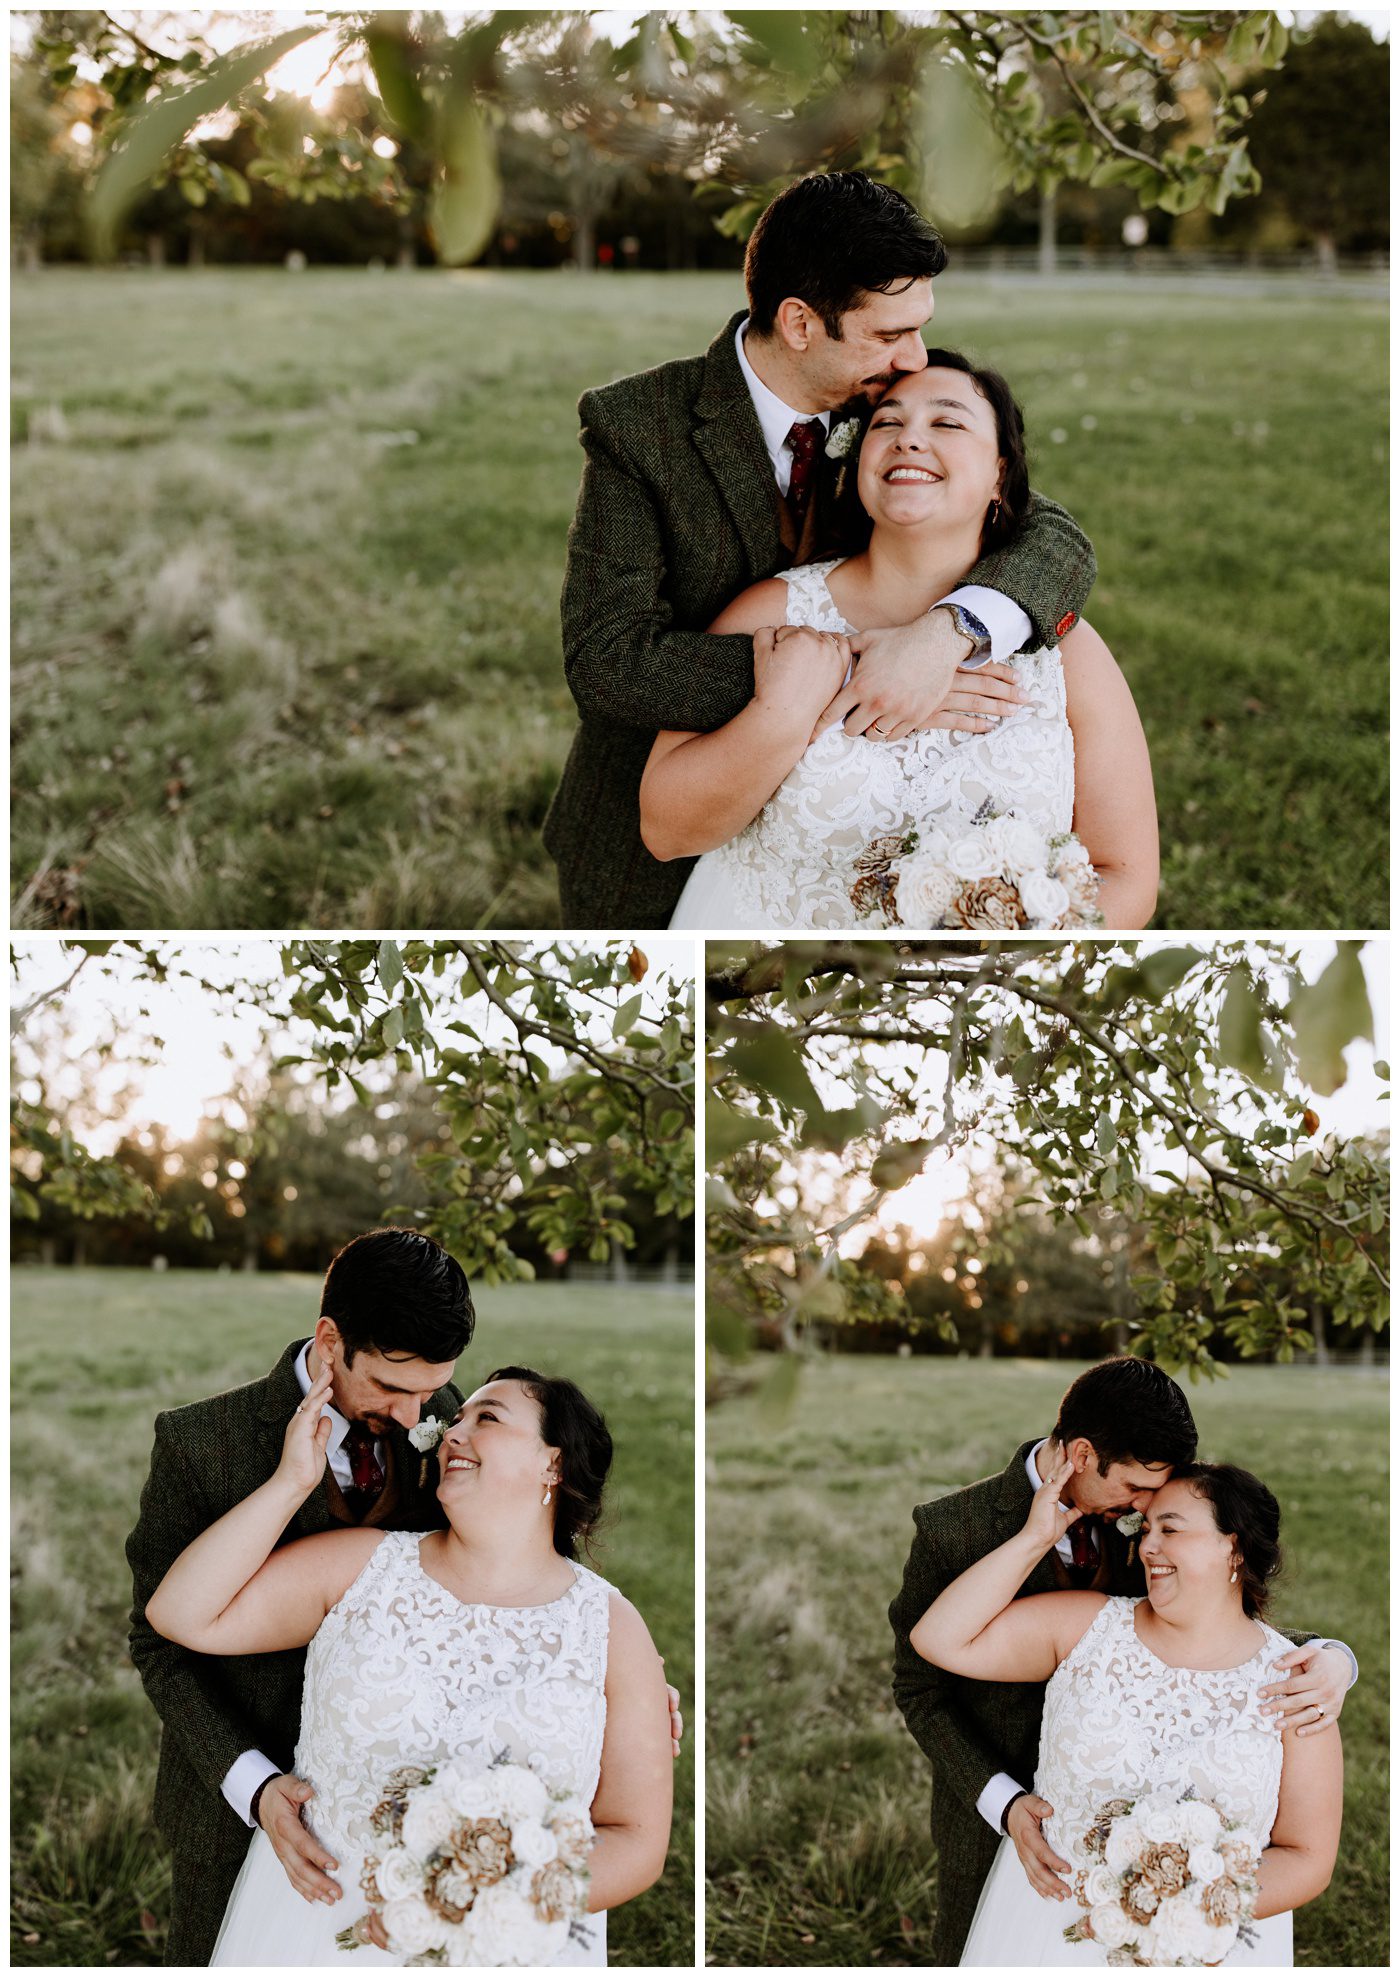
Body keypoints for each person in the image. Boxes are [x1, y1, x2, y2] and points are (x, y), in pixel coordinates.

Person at [544, 169, 1097, 928]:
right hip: (653, 840)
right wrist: (848, 666)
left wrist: (945, 636)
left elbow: (1052, 534)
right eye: (891, 333)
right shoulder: (640, 429)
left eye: (920, 327)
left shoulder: (887, 411)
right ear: (802, 324)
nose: (915, 357)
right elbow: (607, 660)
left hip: (832, 835)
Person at [126, 1228, 681, 1965]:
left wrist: (612, 1690)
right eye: (394, 1388)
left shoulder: (444, 1413)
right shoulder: (202, 1443)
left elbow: (529, 1549)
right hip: (258, 1816)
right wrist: (256, 1785)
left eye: (439, 1390)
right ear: (331, 1343)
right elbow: (162, 1637)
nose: (430, 1415)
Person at [643, 354, 1158, 929]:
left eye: (947, 423)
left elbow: (1127, 875)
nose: (910, 439)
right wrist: (786, 714)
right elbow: (666, 831)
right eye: (887, 423)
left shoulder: (1068, 652)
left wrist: (1002, 946)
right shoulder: (772, 613)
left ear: (999, 474)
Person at [887, 1358, 1357, 1964]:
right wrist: (1002, 1800)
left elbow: (1214, 1624)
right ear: (1082, 1455)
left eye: (1163, 1516)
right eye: (1137, 1490)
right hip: (1009, 1826)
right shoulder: (954, 1531)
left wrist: (1333, 1655)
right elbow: (922, 1681)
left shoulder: (1142, 1520)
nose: (1143, 1527)